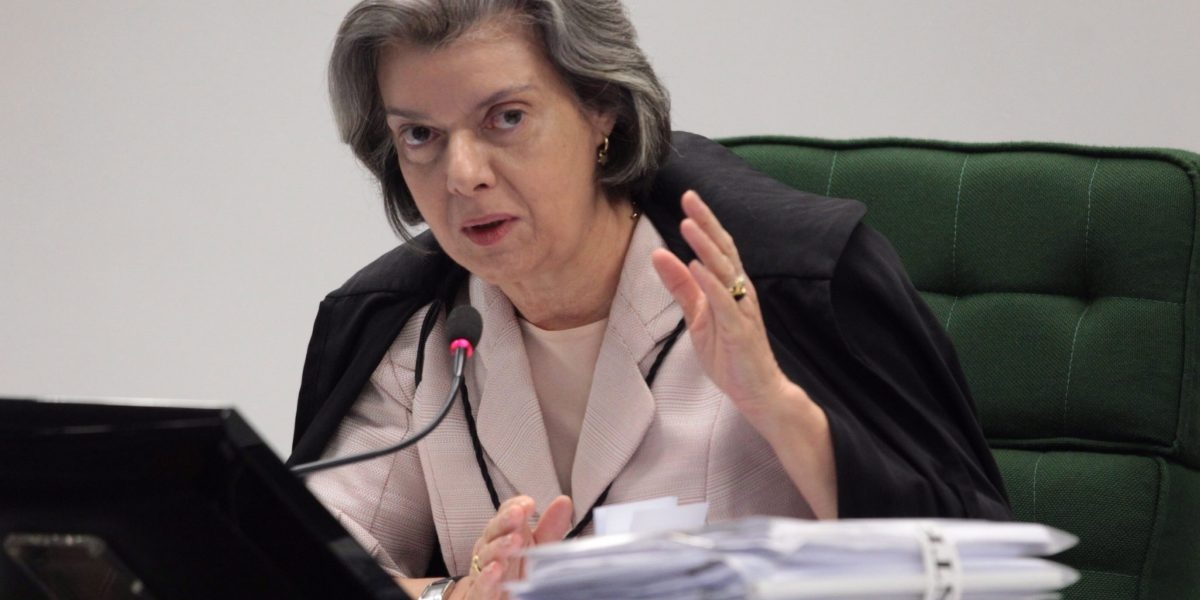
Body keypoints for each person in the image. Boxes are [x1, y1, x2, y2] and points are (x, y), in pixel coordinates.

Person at [289, 0, 1013, 598]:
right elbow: (294, 567)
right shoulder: (415, 333)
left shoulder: (788, 291)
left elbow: (973, 574)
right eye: (421, 135)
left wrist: (776, 405)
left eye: (506, 117)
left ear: (600, 107)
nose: (463, 173)